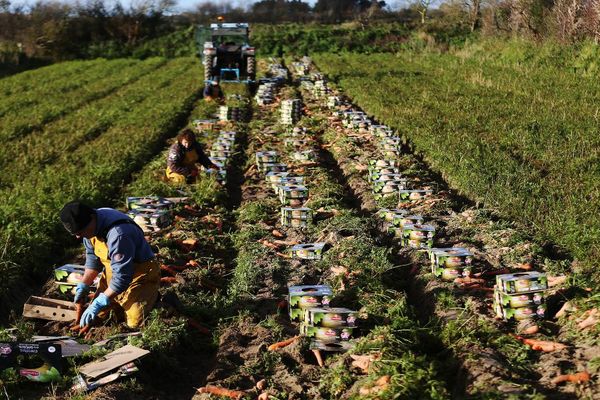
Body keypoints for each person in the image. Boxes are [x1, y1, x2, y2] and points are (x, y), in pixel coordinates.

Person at [59, 201, 160, 329]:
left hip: (139, 275)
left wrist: (99, 302)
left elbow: (123, 277)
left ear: (91, 218)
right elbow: (93, 259)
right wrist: (84, 284)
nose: (79, 237)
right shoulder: (91, 225)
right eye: (75, 233)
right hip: (113, 274)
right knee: (99, 316)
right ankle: (119, 306)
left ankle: (159, 303)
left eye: (81, 231)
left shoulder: (119, 234)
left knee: (135, 323)